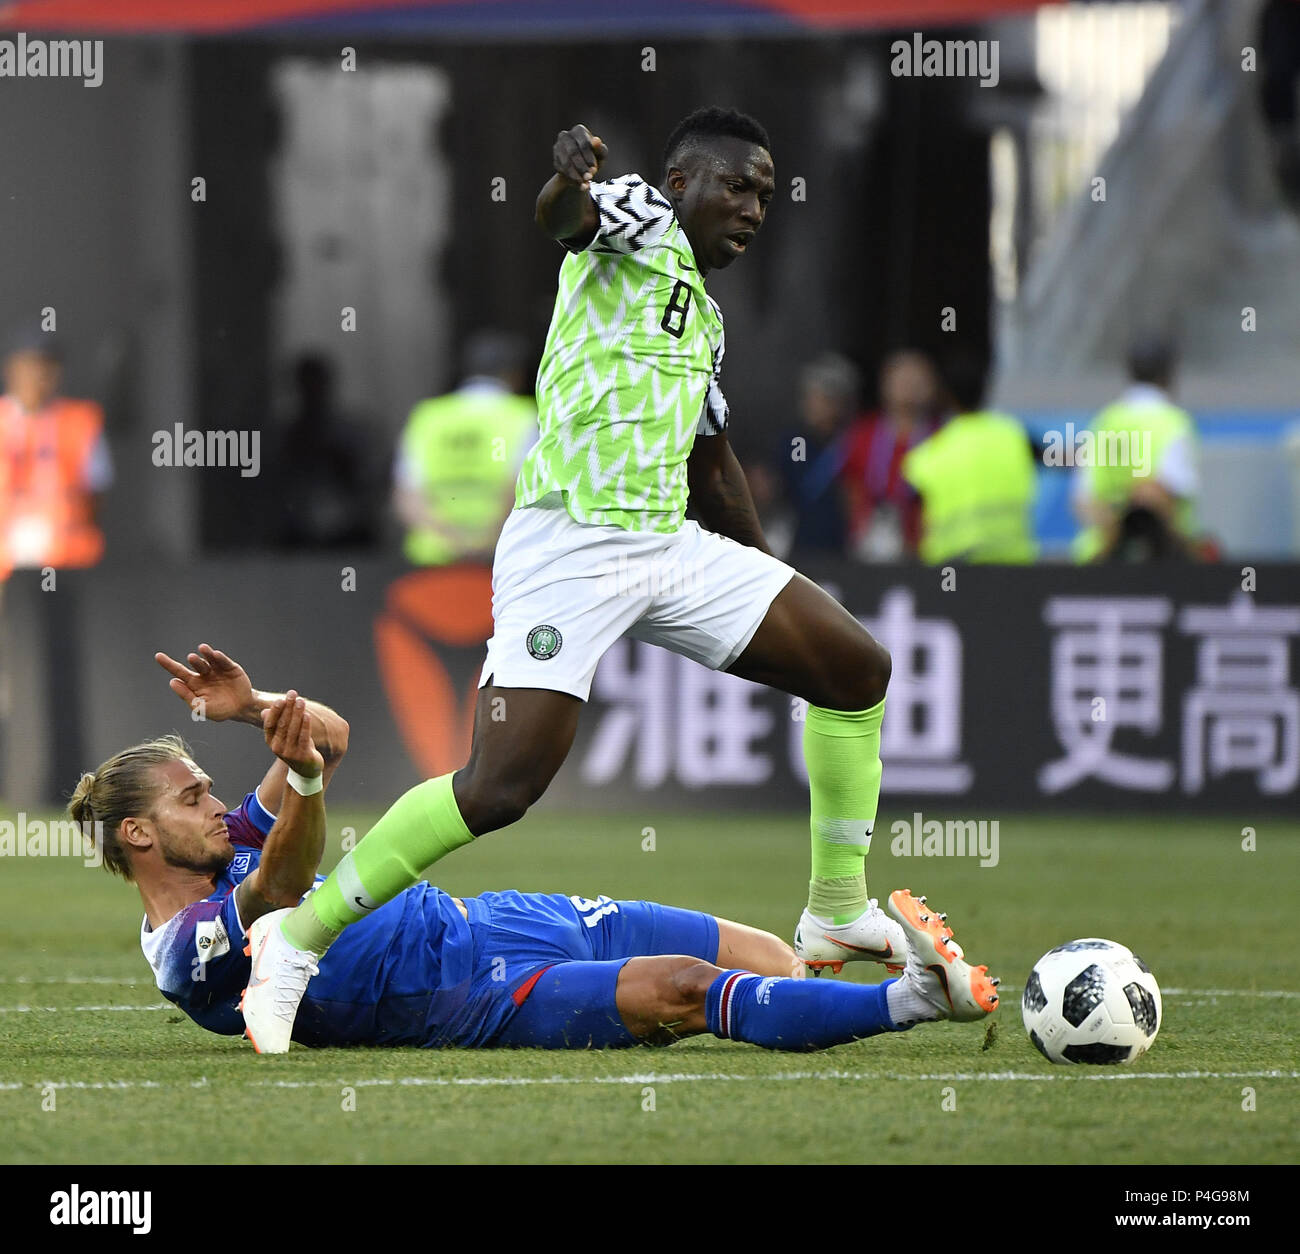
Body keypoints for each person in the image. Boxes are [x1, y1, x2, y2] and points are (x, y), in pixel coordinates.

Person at [244, 106, 908, 1047]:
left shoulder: (705, 321)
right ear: (681, 185)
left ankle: (836, 908)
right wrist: (566, 179)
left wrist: (766, 583)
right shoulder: (640, 216)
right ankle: (296, 942)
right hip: (570, 547)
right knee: (498, 788)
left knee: (855, 669)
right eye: (737, 184)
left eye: (766, 191)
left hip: (666, 547)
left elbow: (711, 467)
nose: (755, 205)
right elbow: (567, 217)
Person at [71, 645, 999, 1054]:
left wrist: (257, 709)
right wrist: (303, 778)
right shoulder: (186, 947)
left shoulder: (219, 839)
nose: (216, 802)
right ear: (139, 834)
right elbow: (280, 883)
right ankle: (915, 1001)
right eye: (192, 796)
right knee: (680, 988)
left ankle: (845, 970)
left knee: (775, 961)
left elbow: (336, 735)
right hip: (462, 1000)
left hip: (497, 919)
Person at [393, 331, 538, 566]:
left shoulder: (428, 417)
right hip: (499, 559)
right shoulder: (522, 416)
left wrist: (450, 539)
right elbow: (519, 487)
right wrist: (483, 542)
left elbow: (408, 494)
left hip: (433, 562)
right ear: (515, 375)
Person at [1071, 336, 1201, 563]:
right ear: (1168, 375)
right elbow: (1162, 496)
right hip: (1159, 562)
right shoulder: (1173, 423)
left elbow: (1083, 500)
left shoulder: (1105, 421)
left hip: (1099, 560)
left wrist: (1112, 538)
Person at [901, 349, 1037, 565]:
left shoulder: (926, 455)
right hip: (1013, 566)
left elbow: (915, 523)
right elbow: (1063, 458)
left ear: (946, 394)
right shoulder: (1015, 436)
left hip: (951, 569)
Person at [0, 329, 112, 580]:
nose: (38, 376)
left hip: (65, 561)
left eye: (46, 368)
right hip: (5, 564)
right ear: (12, 369)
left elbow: (97, 493)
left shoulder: (80, 421)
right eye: (30, 366)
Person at [841, 349, 941, 561]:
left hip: (926, 550)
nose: (909, 388)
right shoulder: (862, 434)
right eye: (902, 380)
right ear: (884, 386)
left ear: (932, 388)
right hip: (869, 548)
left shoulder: (942, 437)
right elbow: (849, 488)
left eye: (917, 381)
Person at [275, 353, 380, 550]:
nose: (311, 392)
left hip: (348, 532)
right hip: (297, 535)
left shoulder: (351, 431)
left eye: (315, 384)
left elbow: (367, 481)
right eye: (306, 386)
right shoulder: (283, 434)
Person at [776, 353, 858, 555]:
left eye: (822, 398)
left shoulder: (856, 440)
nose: (813, 405)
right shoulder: (797, 442)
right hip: (802, 540)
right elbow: (790, 480)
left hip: (846, 542)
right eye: (809, 397)